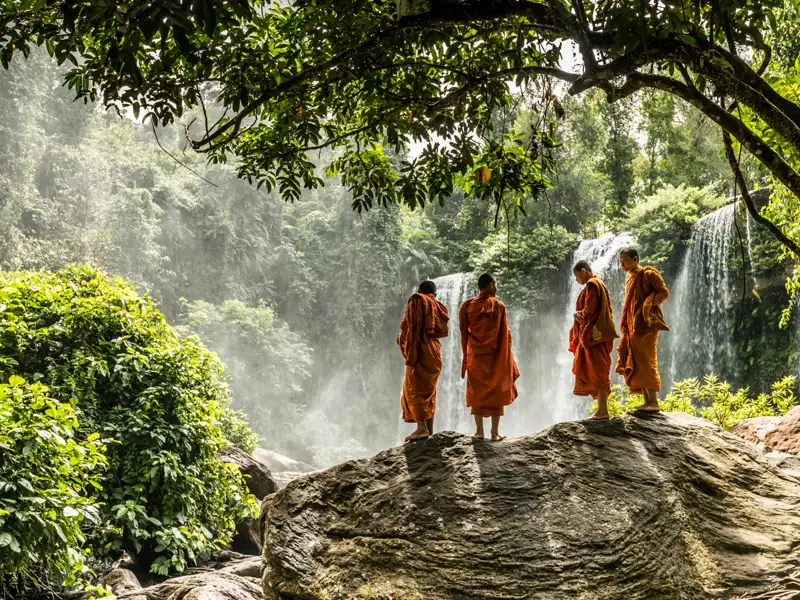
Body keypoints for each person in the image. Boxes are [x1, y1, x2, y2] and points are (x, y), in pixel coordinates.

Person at [459, 273, 520, 441]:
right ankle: (494, 433)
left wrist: (466, 354)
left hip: (476, 357)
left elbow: (464, 333)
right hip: (495, 357)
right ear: (491, 284)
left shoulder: (468, 306)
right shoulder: (499, 307)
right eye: (495, 284)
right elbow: (504, 335)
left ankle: (479, 431)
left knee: (477, 391)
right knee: (496, 391)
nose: (496, 287)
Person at [615, 247, 670, 413]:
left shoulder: (648, 274)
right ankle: (647, 401)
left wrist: (648, 304)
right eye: (621, 261)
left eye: (624, 260)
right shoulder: (630, 279)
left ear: (635, 259)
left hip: (646, 326)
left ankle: (653, 402)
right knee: (638, 363)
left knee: (647, 361)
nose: (621, 264)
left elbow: (664, 292)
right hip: (633, 327)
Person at [397, 279, 449, 442]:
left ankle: (421, 428)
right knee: (429, 392)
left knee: (415, 389)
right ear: (435, 294)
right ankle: (429, 430)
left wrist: (402, 341)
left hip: (420, 352)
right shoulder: (437, 305)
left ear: (420, 291)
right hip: (434, 353)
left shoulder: (417, 300)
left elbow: (412, 329)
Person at [569, 260, 619, 420]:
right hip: (599, 336)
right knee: (599, 370)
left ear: (584, 271)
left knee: (598, 371)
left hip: (594, 337)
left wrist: (577, 315)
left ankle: (603, 411)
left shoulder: (592, 284)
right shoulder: (600, 284)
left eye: (577, 277)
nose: (577, 281)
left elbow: (589, 311)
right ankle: (602, 409)